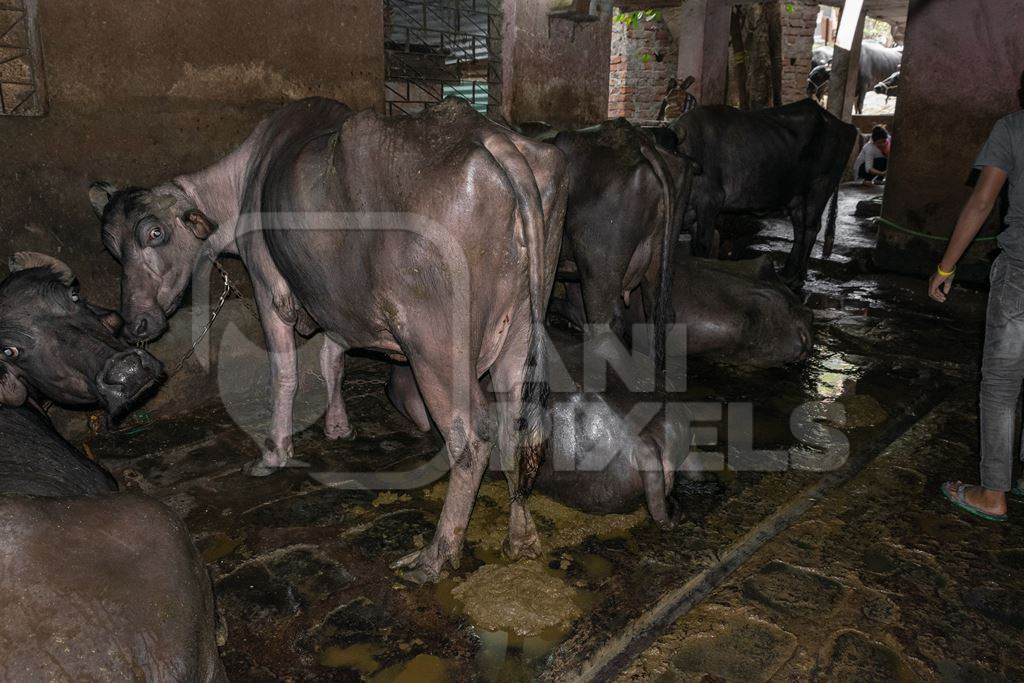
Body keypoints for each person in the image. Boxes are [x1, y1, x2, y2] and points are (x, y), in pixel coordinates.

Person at [930, 72, 1024, 522]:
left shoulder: (1012, 128)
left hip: (1021, 275)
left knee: (1002, 387)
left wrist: (946, 266)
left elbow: (982, 202)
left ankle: (992, 493)